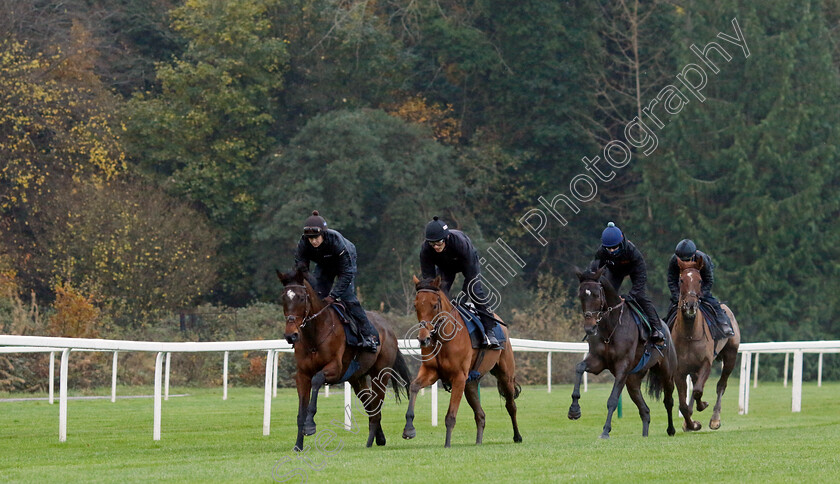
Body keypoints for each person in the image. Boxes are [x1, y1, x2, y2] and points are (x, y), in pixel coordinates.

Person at [294, 210, 378, 352]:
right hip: (324, 264)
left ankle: (369, 335)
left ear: (323, 234)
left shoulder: (336, 241)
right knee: (316, 295)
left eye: (316, 237)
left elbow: (346, 274)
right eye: (310, 238)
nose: (314, 241)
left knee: (347, 297)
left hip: (344, 264)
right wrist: (313, 287)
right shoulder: (303, 243)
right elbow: (300, 270)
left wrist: (333, 295)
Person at [419, 216, 502, 350]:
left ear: (446, 238)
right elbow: (429, 280)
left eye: (439, 243)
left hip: (467, 263)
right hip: (445, 267)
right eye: (432, 244)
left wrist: (463, 297)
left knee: (475, 291)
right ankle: (435, 330)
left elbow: (470, 276)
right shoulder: (426, 250)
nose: (436, 247)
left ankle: (489, 330)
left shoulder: (460, 243)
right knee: (439, 296)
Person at [591, 222, 665, 343]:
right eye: (608, 248)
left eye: (614, 247)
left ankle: (657, 327)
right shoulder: (601, 252)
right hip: (615, 271)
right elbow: (596, 269)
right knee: (604, 296)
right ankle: (600, 326)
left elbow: (641, 274)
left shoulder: (632, 251)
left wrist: (631, 295)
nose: (611, 251)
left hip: (635, 270)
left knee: (640, 296)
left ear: (621, 243)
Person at [666, 239, 735, 337]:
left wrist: (701, 294)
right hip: (684, 286)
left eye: (687, 260)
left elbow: (708, 280)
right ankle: (666, 332)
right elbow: (671, 280)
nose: (685, 263)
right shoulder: (674, 260)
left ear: (693, 256)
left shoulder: (702, 259)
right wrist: (677, 296)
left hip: (699, 284)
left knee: (713, 302)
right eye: (682, 260)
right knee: (671, 309)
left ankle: (723, 324)